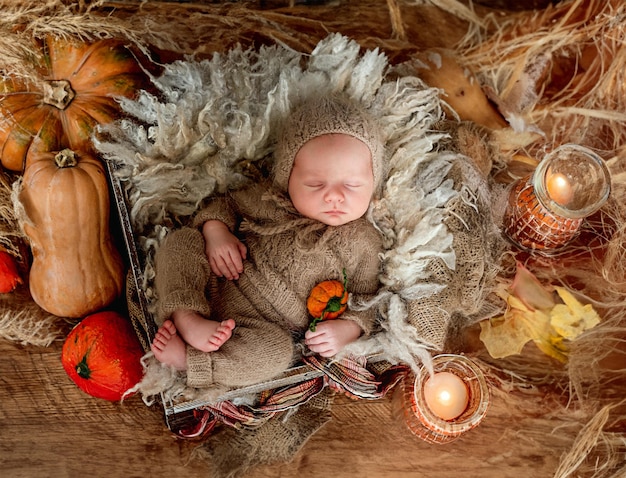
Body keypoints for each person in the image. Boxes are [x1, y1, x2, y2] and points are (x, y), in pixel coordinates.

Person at [150, 94, 385, 389]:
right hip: (215, 280)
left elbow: (366, 298)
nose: (334, 196)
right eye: (315, 184)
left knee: (276, 355)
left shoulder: (363, 242)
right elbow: (226, 205)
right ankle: (187, 316)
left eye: (352, 185)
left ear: (373, 183)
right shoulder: (269, 200)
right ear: (287, 176)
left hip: (258, 329)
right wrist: (215, 232)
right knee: (182, 242)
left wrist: (348, 329)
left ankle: (190, 360)